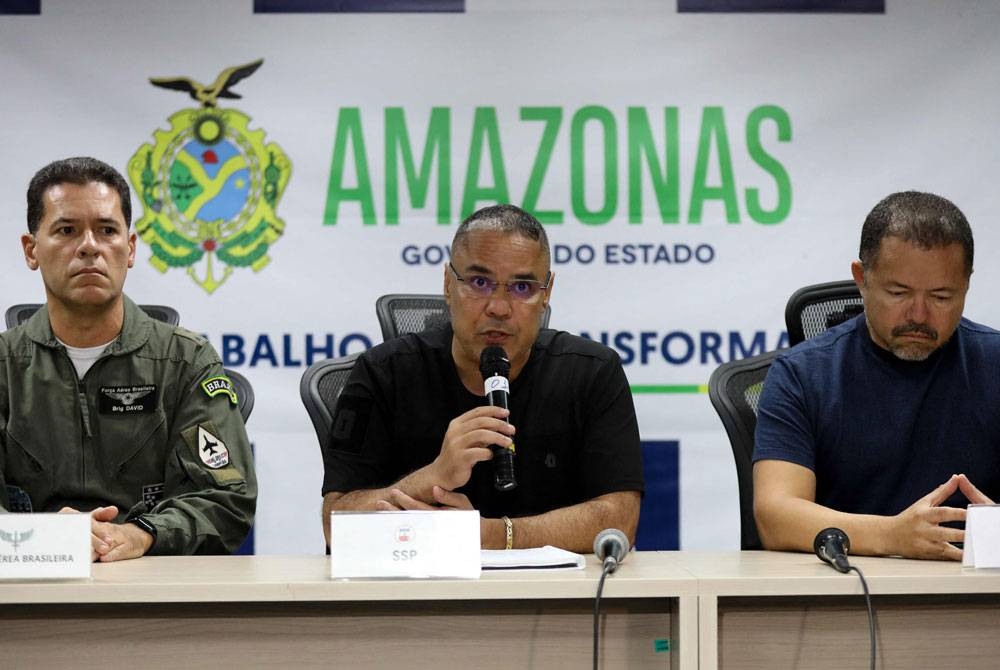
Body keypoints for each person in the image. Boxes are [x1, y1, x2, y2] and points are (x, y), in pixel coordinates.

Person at [321, 204, 643, 553]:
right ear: (447, 283)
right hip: (415, 599)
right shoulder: (383, 373)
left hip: (553, 600)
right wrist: (431, 478)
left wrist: (485, 537)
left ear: (547, 292)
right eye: (479, 282)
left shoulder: (592, 372)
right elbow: (335, 525)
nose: (499, 307)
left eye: (522, 287)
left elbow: (620, 519)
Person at [0, 156, 256, 562]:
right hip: (26, 584)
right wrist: (44, 536)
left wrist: (142, 535)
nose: (89, 246)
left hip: (150, 586)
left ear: (130, 248)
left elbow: (225, 497)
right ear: (31, 250)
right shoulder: (4, 368)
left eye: (106, 230)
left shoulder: (185, 362)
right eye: (67, 230)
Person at [754, 190, 1000, 561]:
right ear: (861, 278)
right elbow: (775, 516)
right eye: (898, 292)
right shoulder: (802, 375)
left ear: (966, 285)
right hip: (848, 593)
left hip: (977, 596)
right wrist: (893, 536)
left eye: (941, 297)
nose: (918, 314)